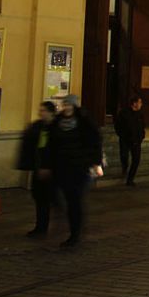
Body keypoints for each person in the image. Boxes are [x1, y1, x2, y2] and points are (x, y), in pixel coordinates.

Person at [46, 95, 102, 248]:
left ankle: (75, 232)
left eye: (69, 105)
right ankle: (69, 224)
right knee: (60, 196)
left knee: (74, 200)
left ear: (75, 106)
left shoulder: (84, 122)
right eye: (65, 104)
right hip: (61, 166)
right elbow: (50, 144)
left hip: (79, 167)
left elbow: (95, 141)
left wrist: (95, 163)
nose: (67, 107)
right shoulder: (57, 123)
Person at [17, 101, 57, 236]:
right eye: (40, 110)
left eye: (43, 110)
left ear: (51, 112)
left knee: (46, 198)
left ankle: (44, 227)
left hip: (51, 170)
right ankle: (40, 226)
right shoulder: (38, 126)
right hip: (38, 167)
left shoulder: (55, 128)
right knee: (40, 198)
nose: (41, 113)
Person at [114, 95, 146, 186]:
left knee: (136, 160)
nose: (141, 104)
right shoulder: (124, 113)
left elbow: (142, 126)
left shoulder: (140, 114)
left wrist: (142, 136)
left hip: (136, 141)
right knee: (124, 156)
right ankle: (124, 167)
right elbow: (118, 126)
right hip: (125, 140)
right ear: (134, 103)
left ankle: (130, 179)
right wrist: (122, 135)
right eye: (140, 102)